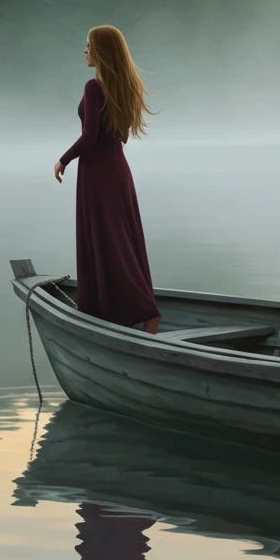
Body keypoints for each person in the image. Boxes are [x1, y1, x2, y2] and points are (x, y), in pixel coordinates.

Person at [53, 25, 161, 334]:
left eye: (88, 45)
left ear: (101, 50)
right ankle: (136, 312)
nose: (84, 51)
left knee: (109, 240)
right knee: (122, 239)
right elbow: (121, 136)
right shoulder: (123, 86)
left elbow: (90, 135)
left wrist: (64, 159)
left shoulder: (94, 86)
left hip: (99, 172)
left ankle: (143, 311)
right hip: (117, 169)